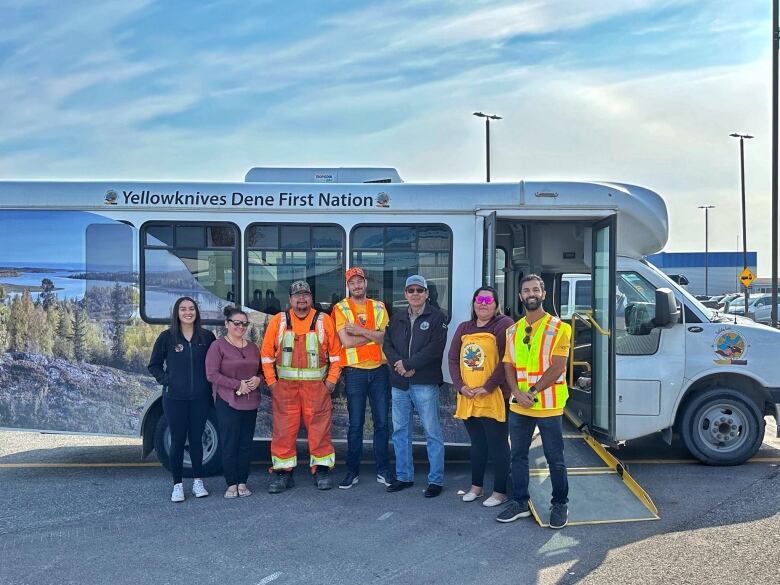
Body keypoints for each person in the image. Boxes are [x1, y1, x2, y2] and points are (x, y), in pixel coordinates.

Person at [496, 274, 572, 529]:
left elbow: (558, 366)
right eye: (526, 290)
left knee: (554, 457)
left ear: (543, 294)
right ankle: (520, 502)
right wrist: (516, 393)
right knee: (517, 455)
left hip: (548, 403)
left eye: (536, 289)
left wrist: (532, 391)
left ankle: (560, 503)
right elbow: (508, 364)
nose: (531, 293)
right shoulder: (512, 331)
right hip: (520, 404)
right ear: (520, 296)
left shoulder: (560, 328)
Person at [261, 280, 343, 492]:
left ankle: (322, 470)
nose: (301, 299)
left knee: (320, 430)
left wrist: (331, 382)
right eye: (297, 295)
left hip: (317, 389)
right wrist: (272, 383)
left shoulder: (324, 321)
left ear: (311, 298)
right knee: (283, 432)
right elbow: (267, 356)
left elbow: (336, 356)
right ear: (290, 299)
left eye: (305, 295)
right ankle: (282, 473)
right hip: (285, 389)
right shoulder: (279, 321)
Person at [447, 286, 514, 507]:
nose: (482, 303)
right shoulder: (464, 327)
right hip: (469, 396)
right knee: (477, 443)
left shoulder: (503, 324)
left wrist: (488, 386)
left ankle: (500, 491)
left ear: (496, 304)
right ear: (473, 304)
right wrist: (460, 386)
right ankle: (476, 487)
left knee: (498, 444)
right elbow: (453, 359)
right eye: (478, 299)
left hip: (494, 395)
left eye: (487, 300)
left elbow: (506, 359)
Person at [383, 275, 448, 498]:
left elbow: (434, 349)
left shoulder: (437, 318)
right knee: (401, 432)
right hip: (399, 383)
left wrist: (409, 364)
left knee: (432, 432)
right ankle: (404, 477)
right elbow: (387, 345)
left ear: (427, 293)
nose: (415, 294)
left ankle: (435, 481)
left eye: (420, 290)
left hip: (424, 383)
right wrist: (399, 366)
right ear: (405, 294)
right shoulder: (397, 317)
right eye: (411, 290)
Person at [148, 297, 216, 503]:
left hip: (200, 398)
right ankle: (177, 485)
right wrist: (168, 380)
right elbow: (154, 365)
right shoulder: (167, 337)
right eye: (183, 309)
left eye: (191, 308)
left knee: (196, 440)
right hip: (174, 398)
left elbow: (215, 364)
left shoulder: (207, 337)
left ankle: (198, 482)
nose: (188, 312)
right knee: (177, 441)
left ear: (197, 312)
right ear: (176, 313)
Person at [332, 267, 393, 489]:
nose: (356, 286)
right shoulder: (340, 308)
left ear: (365, 283)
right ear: (348, 286)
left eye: (360, 281)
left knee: (382, 424)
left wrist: (358, 330)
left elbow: (385, 338)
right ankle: (352, 472)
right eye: (352, 283)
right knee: (355, 424)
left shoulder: (379, 306)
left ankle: (383, 470)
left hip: (379, 370)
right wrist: (371, 334)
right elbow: (346, 342)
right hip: (355, 371)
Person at [205, 306, 262, 499]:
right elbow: (212, 374)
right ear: (227, 324)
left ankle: (243, 481)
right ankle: (231, 483)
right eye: (236, 323)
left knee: (246, 443)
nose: (241, 327)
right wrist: (237, 384)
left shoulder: (253, 347)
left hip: (250, 401)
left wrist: (258, 379)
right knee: (230, 442)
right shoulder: (218, 346)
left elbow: (261, 370)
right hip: (228, 401)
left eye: (244, 323)